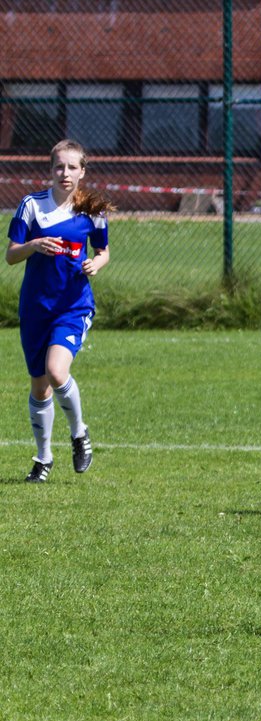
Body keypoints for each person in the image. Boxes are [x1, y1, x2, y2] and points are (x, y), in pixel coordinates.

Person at [5, 139, 111, 483]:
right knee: (39, 388)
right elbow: (10, 255)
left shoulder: (93, 209)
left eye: (71, 167)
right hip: (36, 308)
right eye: (59, 167)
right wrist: (33, 245)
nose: (65, 173)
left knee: (55, 370)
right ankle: (44, 459)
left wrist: (97, 263)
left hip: (73, 306)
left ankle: (79, 434)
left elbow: (103, 250)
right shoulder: (31, 206)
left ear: (83, 172)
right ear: (50, 170)